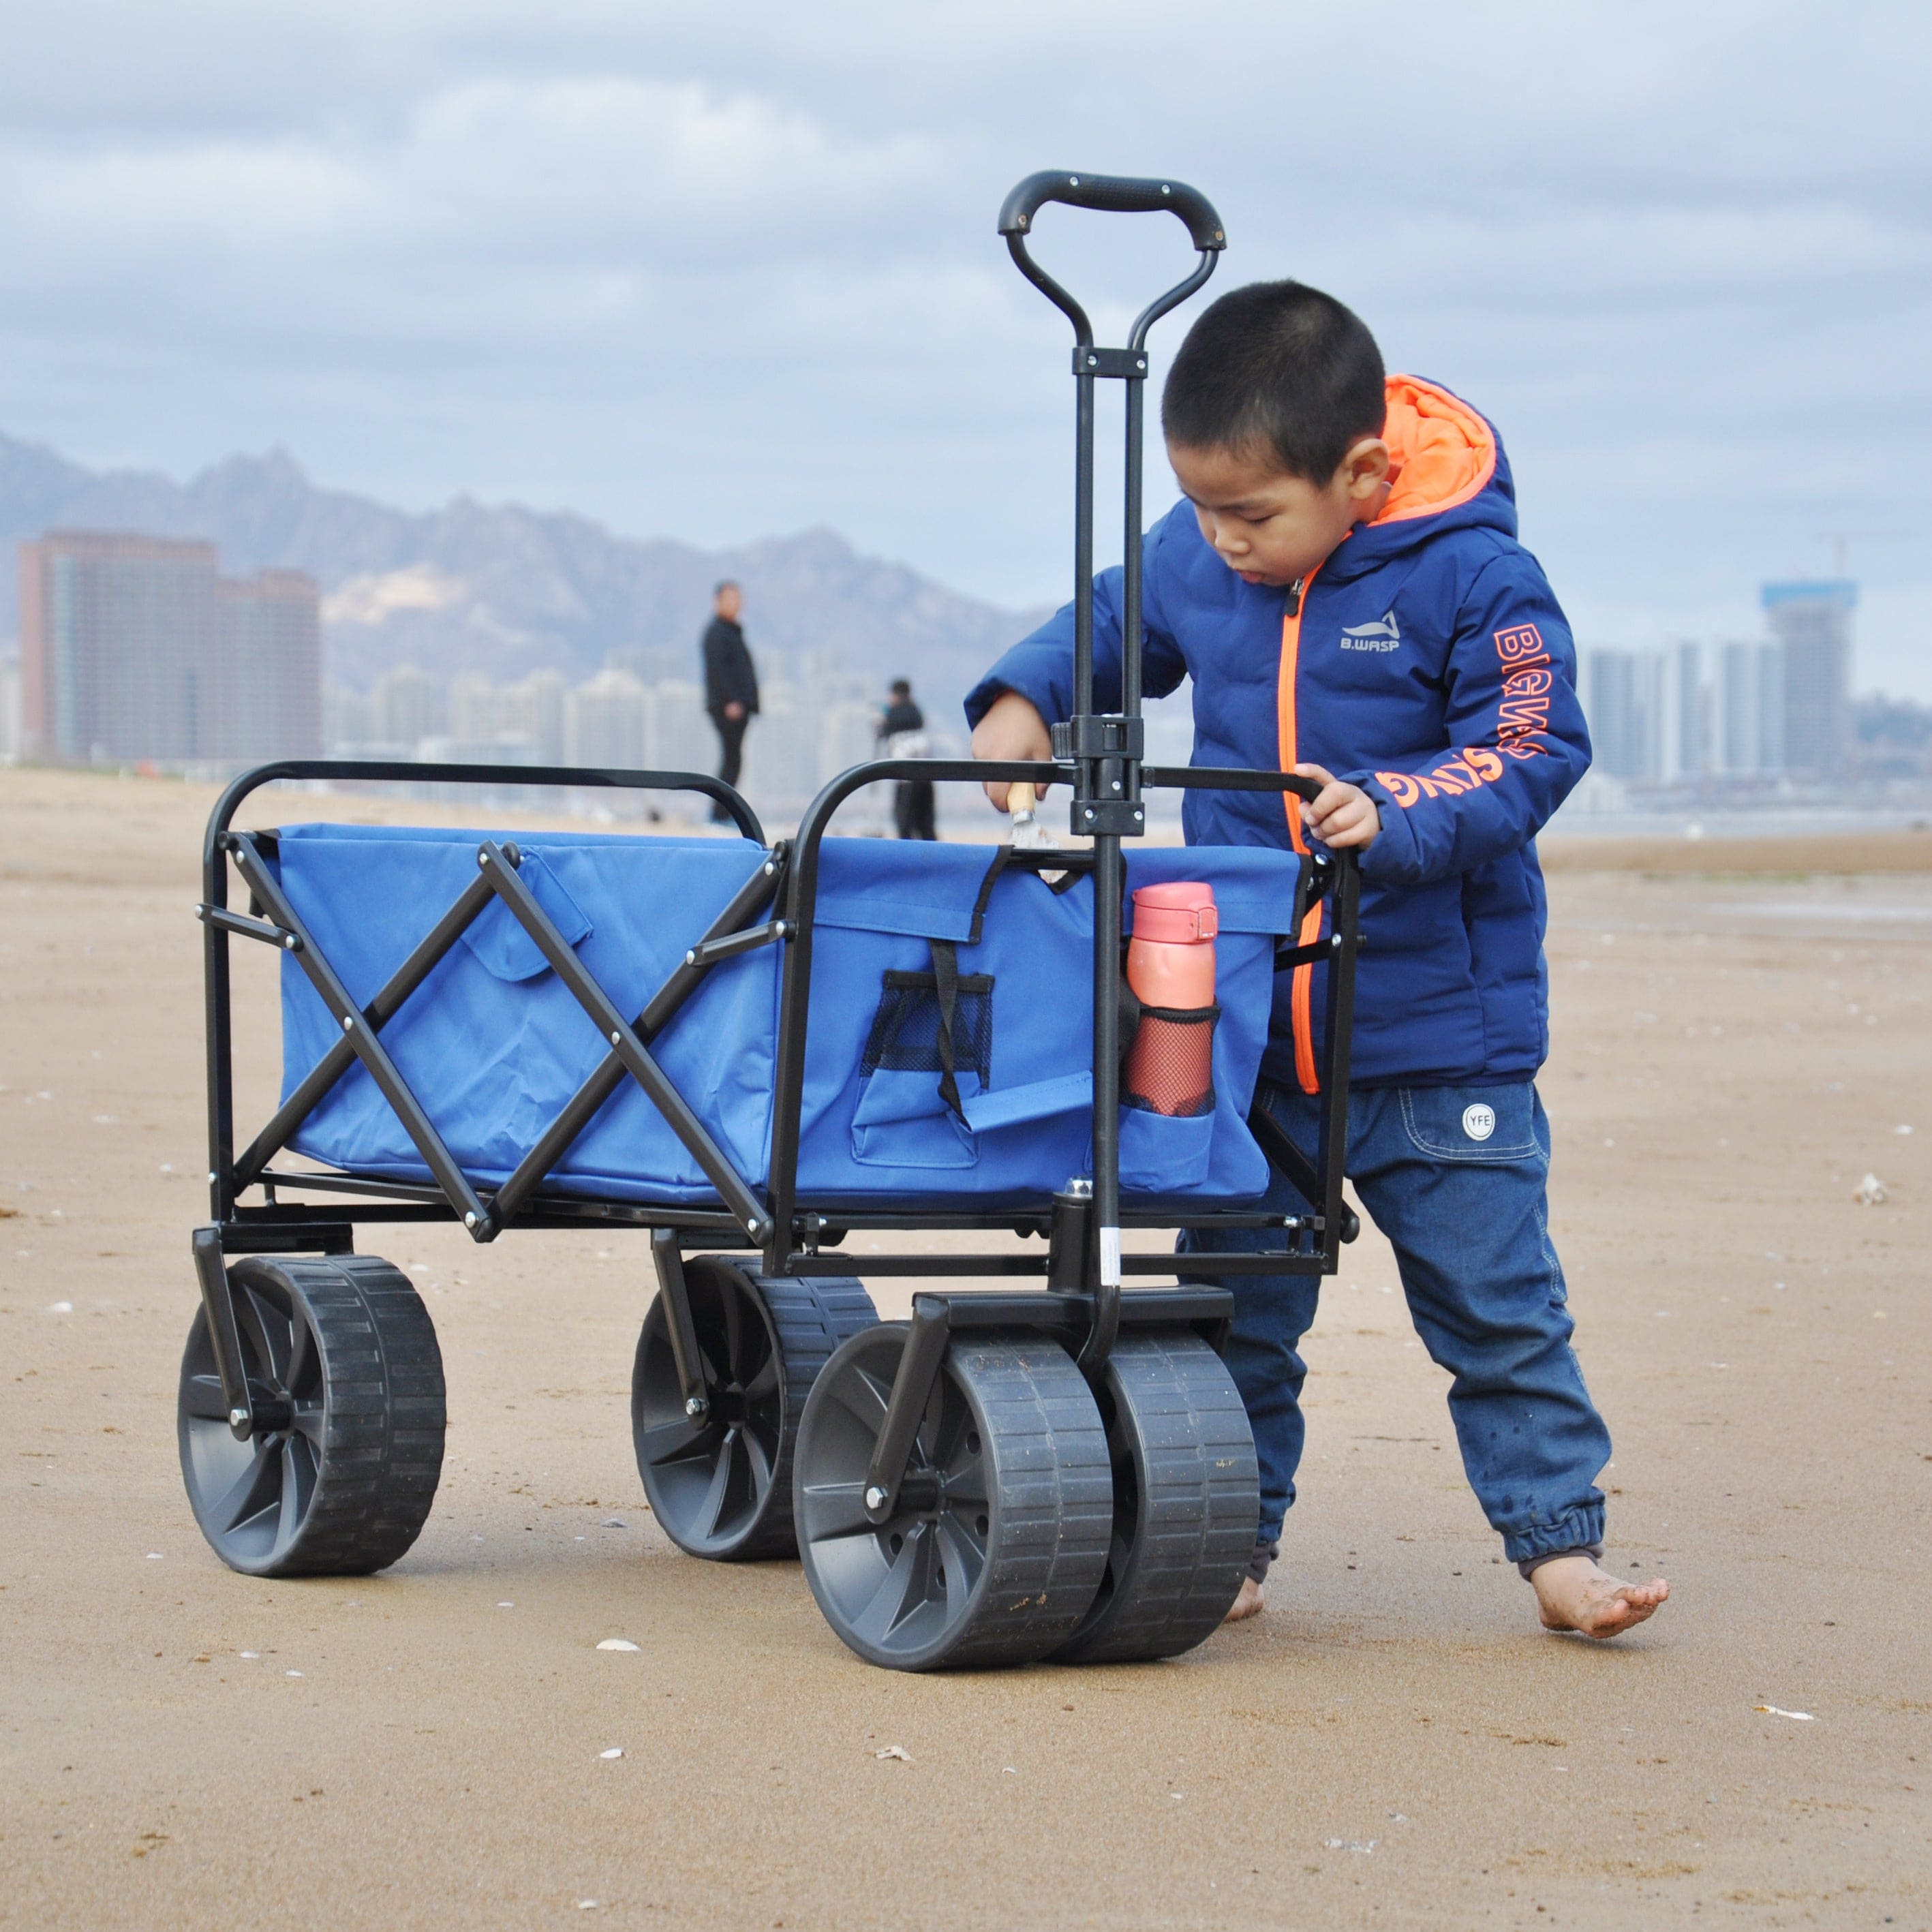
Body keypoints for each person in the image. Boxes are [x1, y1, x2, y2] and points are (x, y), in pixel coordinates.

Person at [967, 279, 1668, 1642]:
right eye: (1204, 512)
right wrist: (1023, 697)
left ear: (1358, 473)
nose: (1221, 543)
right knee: (1227, 1309)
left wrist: (1399, 806)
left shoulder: (1472, 573)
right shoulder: (1202, 554)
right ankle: (1223, 1544)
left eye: (1251, 515)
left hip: (1432, 1038)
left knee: (1495, 1306)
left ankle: (1557, 1547)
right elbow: (1113, 612)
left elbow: (1534, 742)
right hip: (1241, 1032)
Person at [701, 580, 758, 821]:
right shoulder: (716, 633)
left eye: (739, 598)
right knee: (731, 761)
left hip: (740, 707)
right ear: (719, 601)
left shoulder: (733, 631)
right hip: (729, 708)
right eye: (731, 598)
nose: (737, 603)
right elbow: (718, 672)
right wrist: (731, 702)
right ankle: (719, 814)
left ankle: (722, 813)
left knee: (734, 760)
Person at [876, 677, 937, 840]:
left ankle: (908, 858)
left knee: (904, 822)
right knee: (926, 823)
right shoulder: (917, 712)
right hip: (926, 775)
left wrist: (882, 723)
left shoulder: (893, 714)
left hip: (905, 776)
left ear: (895, 695)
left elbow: (883, 731)